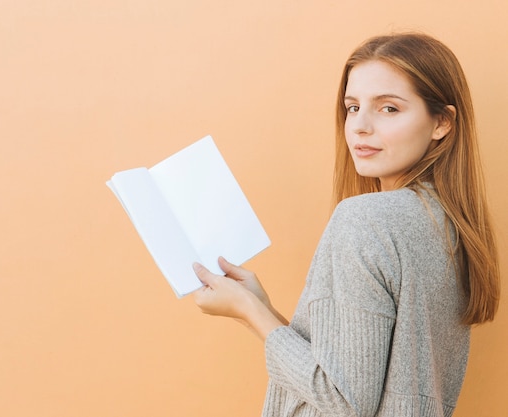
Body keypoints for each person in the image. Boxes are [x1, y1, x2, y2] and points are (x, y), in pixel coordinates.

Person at [192, 33, 501, 417]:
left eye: (389, 109)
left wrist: (250, 314)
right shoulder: (452, 228)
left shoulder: (365, 220)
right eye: (353, 107)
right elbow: (353, 377)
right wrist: (264, 308)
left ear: (441, 122)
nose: (359, 127)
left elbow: (344, 403)